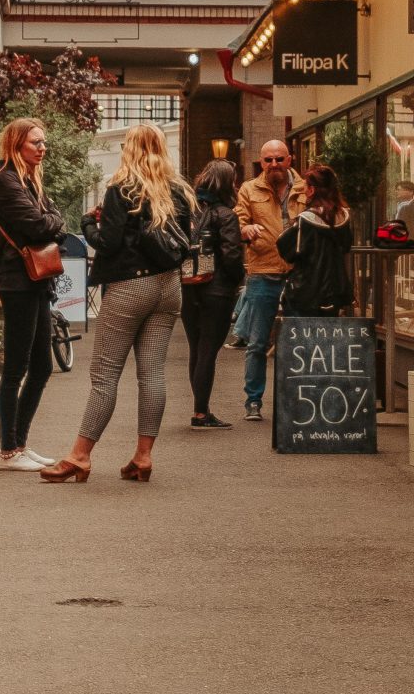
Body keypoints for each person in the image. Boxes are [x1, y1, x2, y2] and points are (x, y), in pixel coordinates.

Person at [43, 123, 191, 484]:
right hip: (169, 286)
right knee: (152, 372)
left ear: (131, 149)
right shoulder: (179, 191)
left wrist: (86, 224)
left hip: (129, 288)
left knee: (105, 375)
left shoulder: (122, 189)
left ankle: (80, 456)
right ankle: (143, 456)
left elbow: (106, 244)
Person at [0, 117, 64, 473]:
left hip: (36, 281)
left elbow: (50, 219)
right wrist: (52, 223)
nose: (42, 147)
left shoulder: (30, 181)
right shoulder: (4, 180)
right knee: (16, 368)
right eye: (35, 142)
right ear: (17, 144)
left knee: (43, 365)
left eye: (43, 142)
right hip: (17, 281)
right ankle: (9, 450)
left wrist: (51, 222)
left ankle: (20, 443)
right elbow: (38, 225)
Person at [234, 139, 305, 422]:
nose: (273, 164)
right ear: (261, 163)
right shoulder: (249, 190)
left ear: (290, 159)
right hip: (262, 270)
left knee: (299, 338)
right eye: (268, 160)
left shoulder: (305, 188)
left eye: (279, 159)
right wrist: (245, 228)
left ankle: (298, 397)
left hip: (299, 271)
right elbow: (237, 224)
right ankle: (253, 401)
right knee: (257, 342)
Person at [180, 159, 246, 429]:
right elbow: (231, 257)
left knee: (196, 349)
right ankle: (200, 413)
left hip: (188, 286)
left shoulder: (188, 212)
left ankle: (200, 409)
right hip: (217, 291)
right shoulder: (226, 215)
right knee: (208, 351)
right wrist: (236, 280)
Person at [279, 164, 356, 317]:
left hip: (305, 292)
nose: (303, 191)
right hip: (335, 292)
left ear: (312, 190)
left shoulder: (305, 220)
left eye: (305, 187)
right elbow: (346, 247)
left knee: (301, 339)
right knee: (327, 339)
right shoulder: (345, 217)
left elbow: (286, 250)